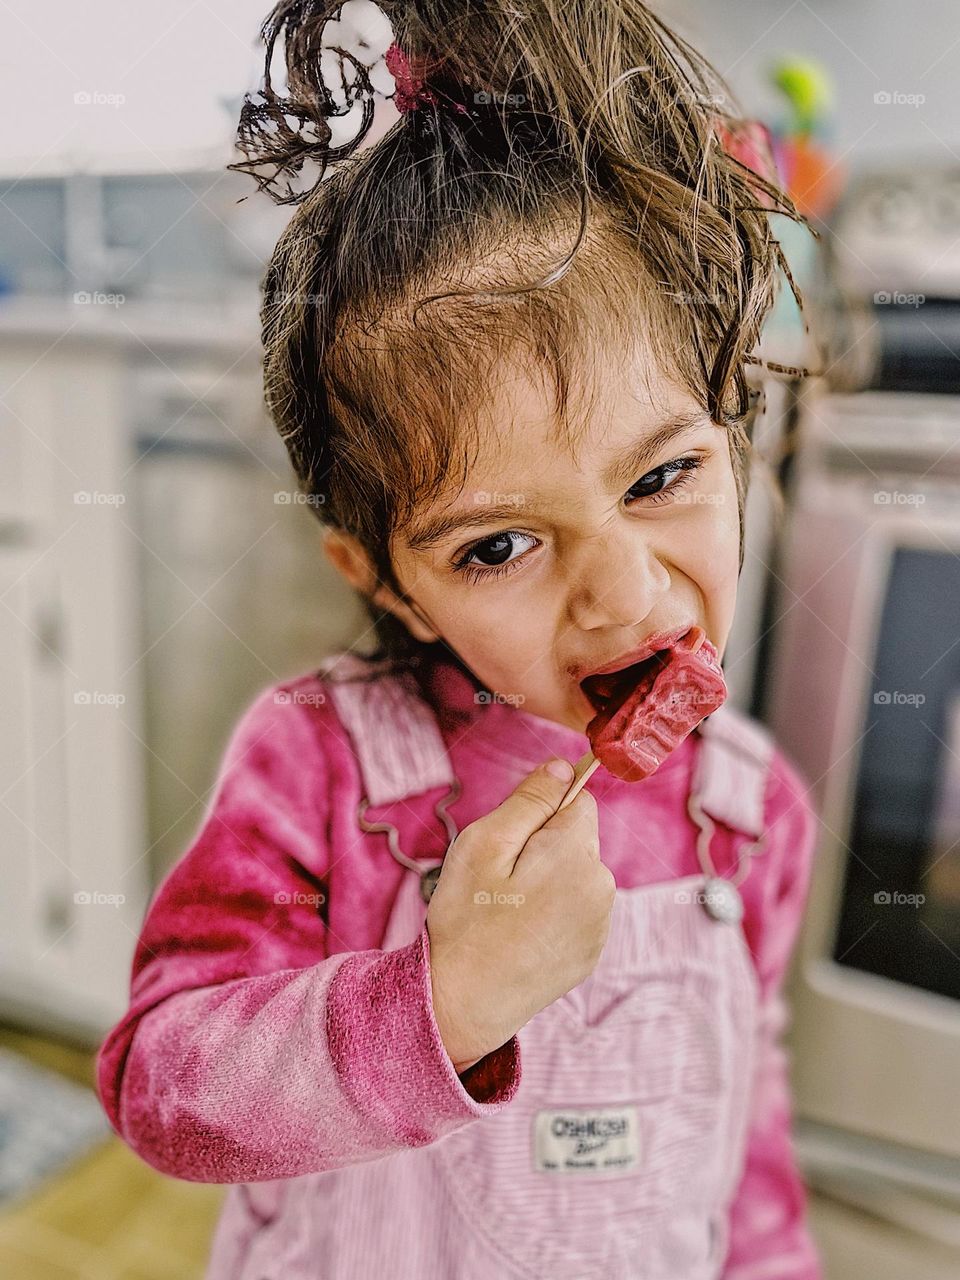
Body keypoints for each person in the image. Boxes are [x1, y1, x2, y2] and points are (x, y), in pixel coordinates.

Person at [95, 2, 824, 1276]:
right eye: (497, 545)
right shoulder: (319, 765)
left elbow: (741, 1118)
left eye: (662, 478)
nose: (618, 592)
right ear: (391, 584)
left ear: (735, 439)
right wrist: (439, 1002)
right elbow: (162, 1087)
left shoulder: (752, 814)